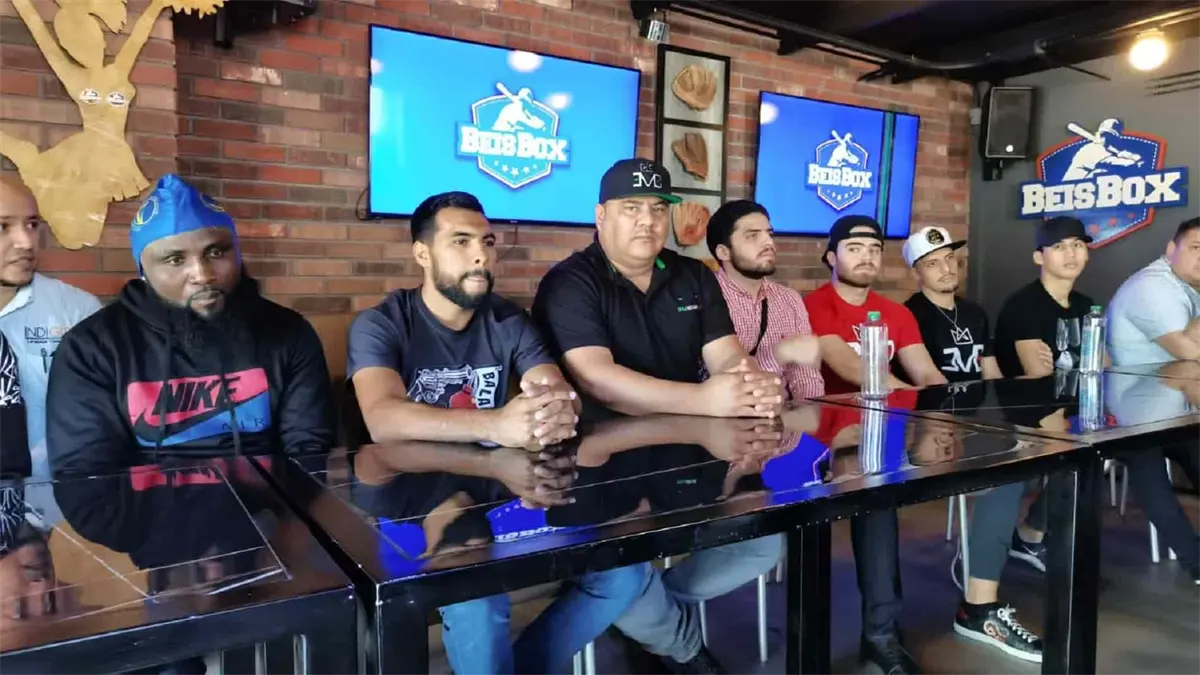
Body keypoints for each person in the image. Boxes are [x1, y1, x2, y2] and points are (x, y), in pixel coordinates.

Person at [347, 190, 644, 675]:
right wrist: (499, 424)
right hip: (406, 501)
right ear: (422, 253)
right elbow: (382, 419)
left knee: (625, 576)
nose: (481, 255)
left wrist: (555, 409)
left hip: (499, 488)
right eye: (460, 242)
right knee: (477, 598)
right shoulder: (382, 323)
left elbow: (556, 391)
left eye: (486, 242)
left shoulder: (508, 320)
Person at [533, 159, 784, 675]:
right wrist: (707, 400)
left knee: (763, 542)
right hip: (594, 464)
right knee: (617, 566)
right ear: (601, 216)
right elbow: (597, 379)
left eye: (656, 208)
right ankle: (682, 646)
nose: (647, 220)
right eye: (631, 208)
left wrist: (750, 383)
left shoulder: (693, 276)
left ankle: (648, 611)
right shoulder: (569, 281)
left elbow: (728, 356)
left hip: (685, 454)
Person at [46, 174, 334, 478]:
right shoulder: (91, 348)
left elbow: (309, 454)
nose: (203, 274)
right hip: (145, 506)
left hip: (268, 502)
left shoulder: (289, 332)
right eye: (175, 260)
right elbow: (86, 476)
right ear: (143, 272)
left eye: (216, 252)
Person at [801, 215, 945, 674]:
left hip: (883, 438)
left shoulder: (896, 313)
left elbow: (927, 375)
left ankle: (881, 636)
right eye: (855, 247)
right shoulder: (812, 305)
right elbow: (851, 367)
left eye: (875, 249)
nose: (867, 256)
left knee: (879, 497)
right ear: (831, 257)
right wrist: (905, 395)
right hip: (818, 442)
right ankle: (813, 643)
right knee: (863, 494)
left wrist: (946, 412)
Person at [900, 227, 1043, 662]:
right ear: (917, 273)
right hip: (929, 427)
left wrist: (1012, 418)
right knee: (1006, 479)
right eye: (933, 263)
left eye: (950, 259)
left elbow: (991, 374)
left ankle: (1020, 538)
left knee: (1050, 457)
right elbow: (922, 386)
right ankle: (981, 602)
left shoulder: (975, 312)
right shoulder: (910, 314)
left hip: (981, 423)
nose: (946, 268)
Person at [992, 215, 1101, 572]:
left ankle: (1039, 533)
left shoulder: (1086, 305)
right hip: (1023, 409)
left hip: (1073, 405)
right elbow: (1037, 374)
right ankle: (1031, 534)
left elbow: (1102, 363)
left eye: (1078, 245)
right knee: (1076, 454)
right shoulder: (1023, 305)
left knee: (1103, 446)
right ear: (1039, 257)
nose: (1071, 254)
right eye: (1059, 247)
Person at [1105, 217, 1200, 583]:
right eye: (1196, 248)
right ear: (1170, 249)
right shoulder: (1152, 287)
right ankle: (1194, 562)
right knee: (1148, 466)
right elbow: (1189, 352)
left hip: (1175, 409)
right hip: (1129, 414)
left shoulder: (1187, 286)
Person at [0, 175, 101, 479]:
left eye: (32, 225)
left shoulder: (78, 312)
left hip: (57, 500)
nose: (26, 242)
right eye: (3, 226)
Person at [705, 199, 823, 402]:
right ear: (723, 252)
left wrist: (811, 415)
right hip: (724, 416)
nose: (768, 243)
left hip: (784, 416)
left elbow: (806, 377)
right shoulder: (704, 296)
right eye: (752, 236)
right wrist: (778, 354)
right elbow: (713, 381)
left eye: (769, 234)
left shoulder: (789, 299)